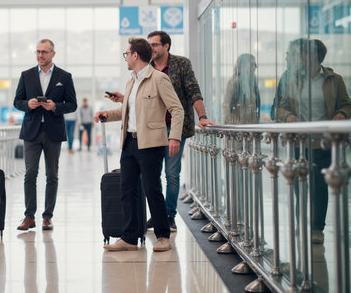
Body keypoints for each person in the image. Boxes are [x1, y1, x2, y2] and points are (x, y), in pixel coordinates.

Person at [106, 31, 215, 231]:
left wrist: (201, 116)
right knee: (148, 180)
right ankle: (153, 221)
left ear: (166, 46)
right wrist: (121, 102)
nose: (152, 48)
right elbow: (139, 102)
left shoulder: (176, 67)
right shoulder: (139, 75)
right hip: (148, 129)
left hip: (174, 128)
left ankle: (167, 216)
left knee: (170, 174)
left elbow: (192, 92)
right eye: (149, 45)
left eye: (155, 44)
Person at [94, 37, 184, 252]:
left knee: (152, 189)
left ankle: (163, 236)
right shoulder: (131, 81)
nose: (125, 58)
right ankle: (129, 237)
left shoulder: (159, 79)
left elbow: (177, 109)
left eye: (127, 54)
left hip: (151, 144)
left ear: (135, 55)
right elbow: (127, 112)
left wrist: (175, 137)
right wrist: (108, 114)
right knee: (127, 190)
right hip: (129, 143)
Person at [276, 38, 351, 244]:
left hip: (323, 141)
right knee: (301, 184)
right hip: (300, 141)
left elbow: (346, 104)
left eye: (305, 53)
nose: (301, 57)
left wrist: (342, 114)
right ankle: (302, 222)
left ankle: (317, 227)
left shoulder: (334, 79)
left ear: (315, 56)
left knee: (319, 186)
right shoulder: (294, 79)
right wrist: (288, 116)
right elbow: (281, 107)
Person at [13, 38, 77, 231]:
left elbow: (72, 104)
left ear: (53, 54)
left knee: (52, 175)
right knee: (30, 174)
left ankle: (47, 216)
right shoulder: (26, 75)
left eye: (44, 52)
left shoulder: (64, 77)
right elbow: (17, 101)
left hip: (53, 132)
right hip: (32, 131)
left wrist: (56, 107)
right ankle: (29, 217)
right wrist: (27, 105)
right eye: (38, 52)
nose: (40, 55)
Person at [223, 53, 260, 124]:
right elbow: (227, 108)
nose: (255, 67)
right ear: (243, 65)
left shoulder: (252, 83)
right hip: (239, 129)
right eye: (252, 64)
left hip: (250, 128)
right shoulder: (235, 82)